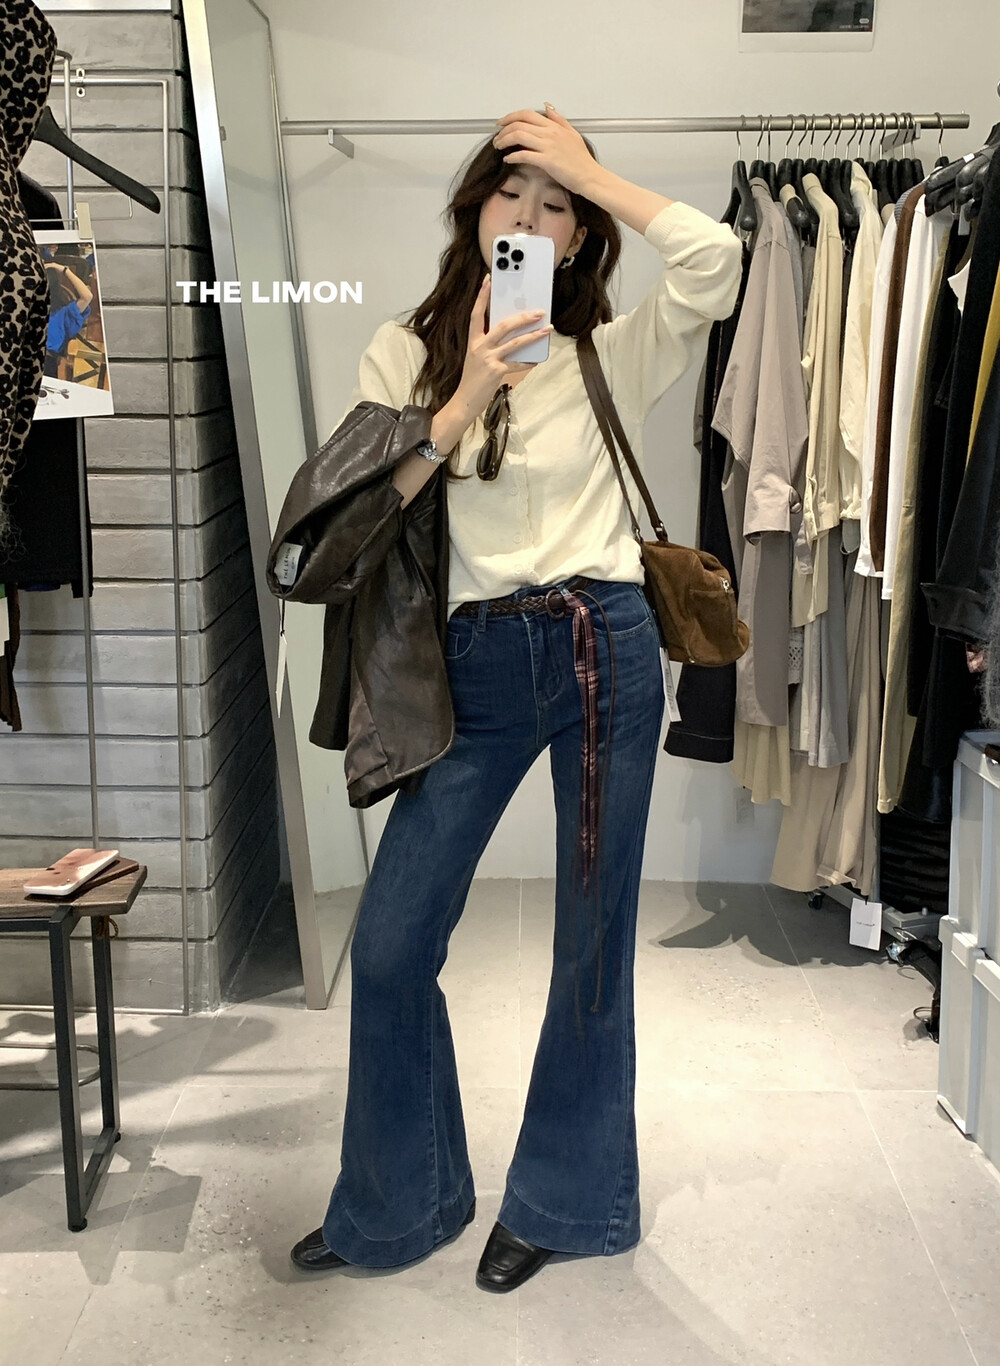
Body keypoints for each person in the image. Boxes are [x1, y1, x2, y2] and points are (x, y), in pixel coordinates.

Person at [289, 103, 742, 1291]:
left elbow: (717, 260)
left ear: (581, 236)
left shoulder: (612, 350)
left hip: (604, 644)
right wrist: (464, 395)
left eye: (557, 207)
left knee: (591, 941)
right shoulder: (402, 351)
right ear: (473, 210)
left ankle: (566, 1202)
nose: (532, 218)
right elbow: (359, 515)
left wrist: (592, 169)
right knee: (392, 945)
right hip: (475, 660)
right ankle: (401, 1201)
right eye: (512, 193)